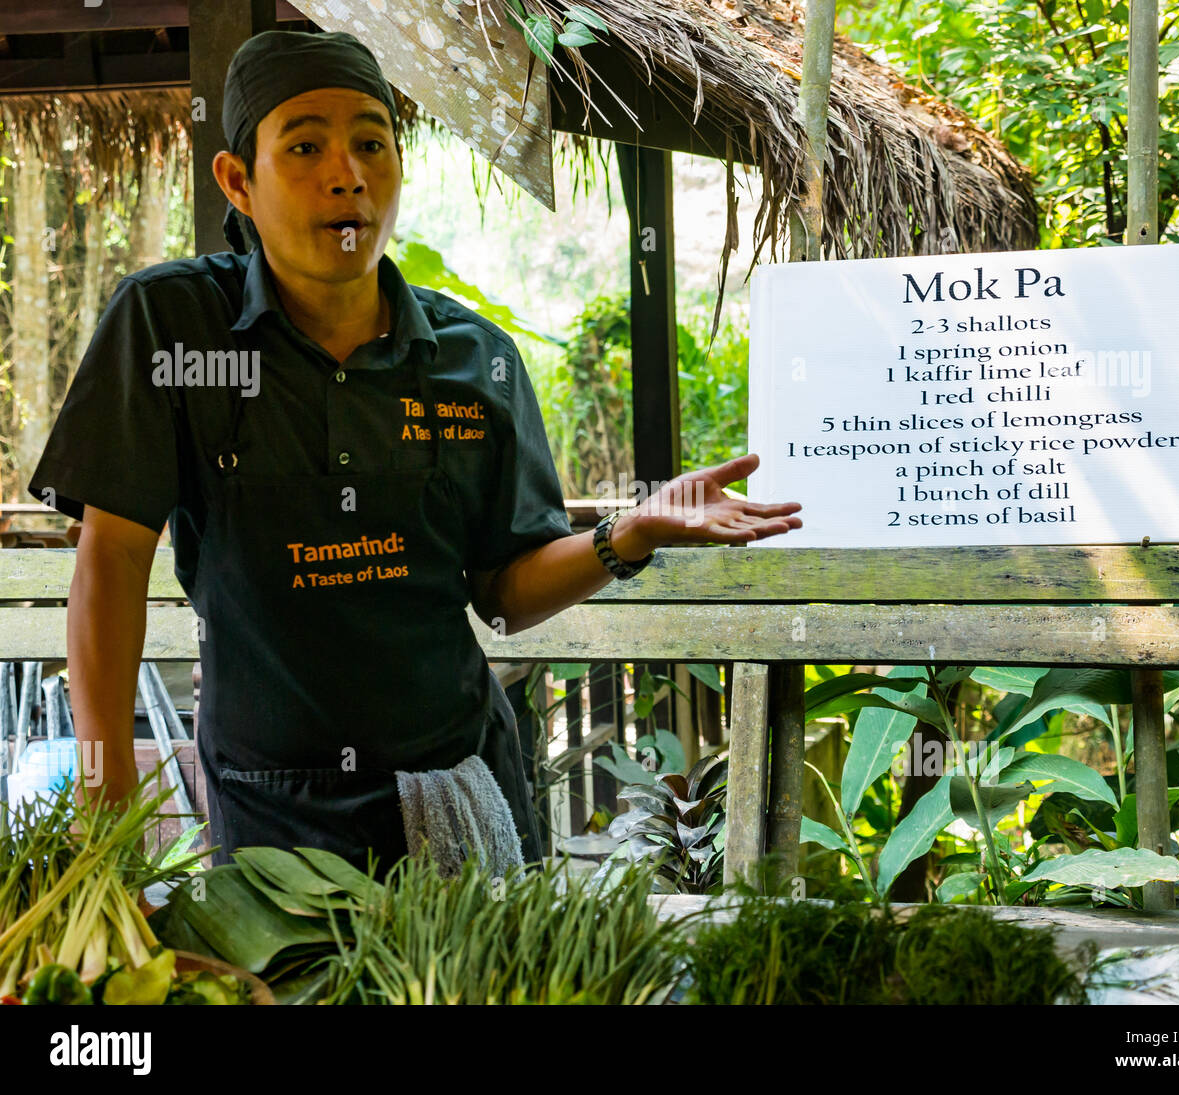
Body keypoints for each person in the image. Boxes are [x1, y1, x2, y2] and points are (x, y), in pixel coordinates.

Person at [28, 30, 801, 872]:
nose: (346, 173)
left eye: (371, 142)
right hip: (274, 818)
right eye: (305, 146)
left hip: (462, 797)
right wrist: (101, 822)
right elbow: (109, 566)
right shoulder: (171, 328)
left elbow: (503, 592)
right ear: (238, 182)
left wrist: (630, 535)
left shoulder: (475, 359)